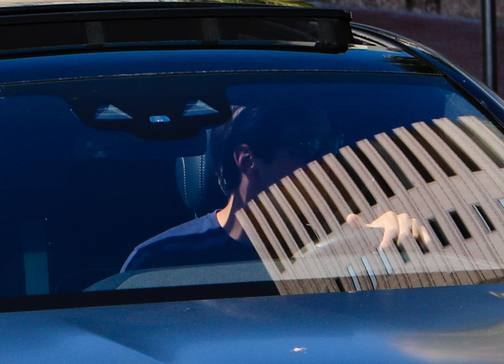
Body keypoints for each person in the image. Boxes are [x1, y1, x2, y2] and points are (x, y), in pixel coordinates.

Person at [114, 102, 420, 285]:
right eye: (308, 148)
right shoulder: (163, 263)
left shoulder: (351, 244)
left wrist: (395, 246)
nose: (328, 162)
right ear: (248, 160)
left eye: (331, 146)